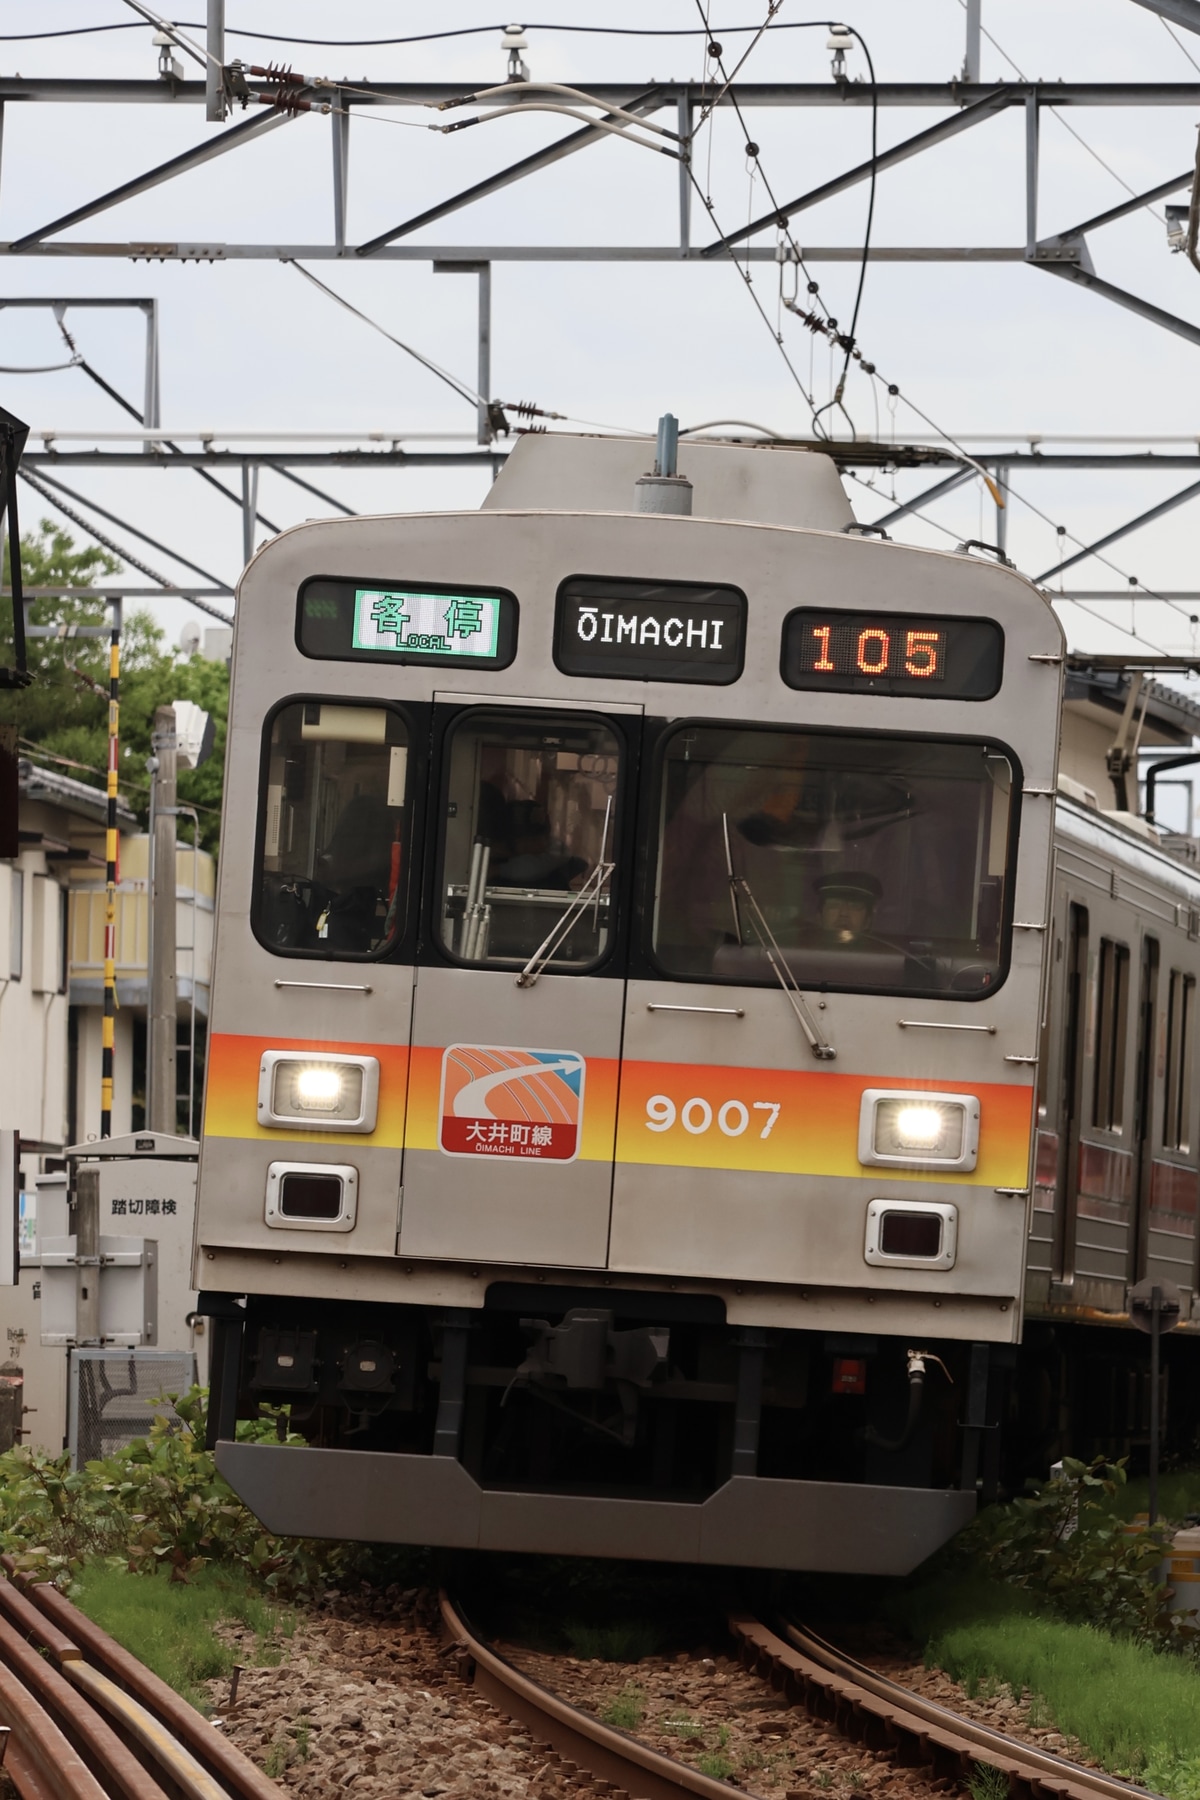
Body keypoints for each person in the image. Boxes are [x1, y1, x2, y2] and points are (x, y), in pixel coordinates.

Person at [813, 871, 882, 944]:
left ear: (867, 921)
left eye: (855, 906)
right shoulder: (803, 952)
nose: (844, 913)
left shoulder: (883, 954)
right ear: (819, 917)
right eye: (834, 904)